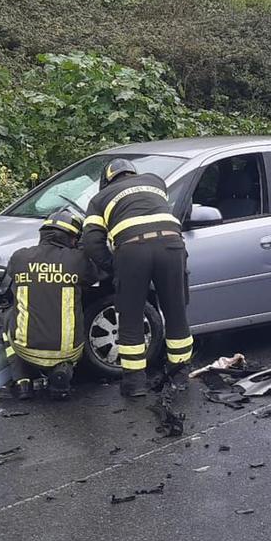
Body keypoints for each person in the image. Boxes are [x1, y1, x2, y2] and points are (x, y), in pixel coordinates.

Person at [81, 159, 192, 399]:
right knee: (175, 311)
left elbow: (91, 242)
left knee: (130, 316)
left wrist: (113, 266)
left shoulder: (99, 199)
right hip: (171, 246)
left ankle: (134, 383)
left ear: (107, 179)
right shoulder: (155, 181)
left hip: (132, 251)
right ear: (132, 172)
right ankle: (180, 375)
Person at [3, 208, 98, 399]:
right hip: (68, 352)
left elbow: (12, 278)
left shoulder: (20, 257)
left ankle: (22, 381)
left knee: (6, 317)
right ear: (72, 238)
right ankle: (62, 372)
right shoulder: (78, 260)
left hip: (26, 351)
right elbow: (94, 277)